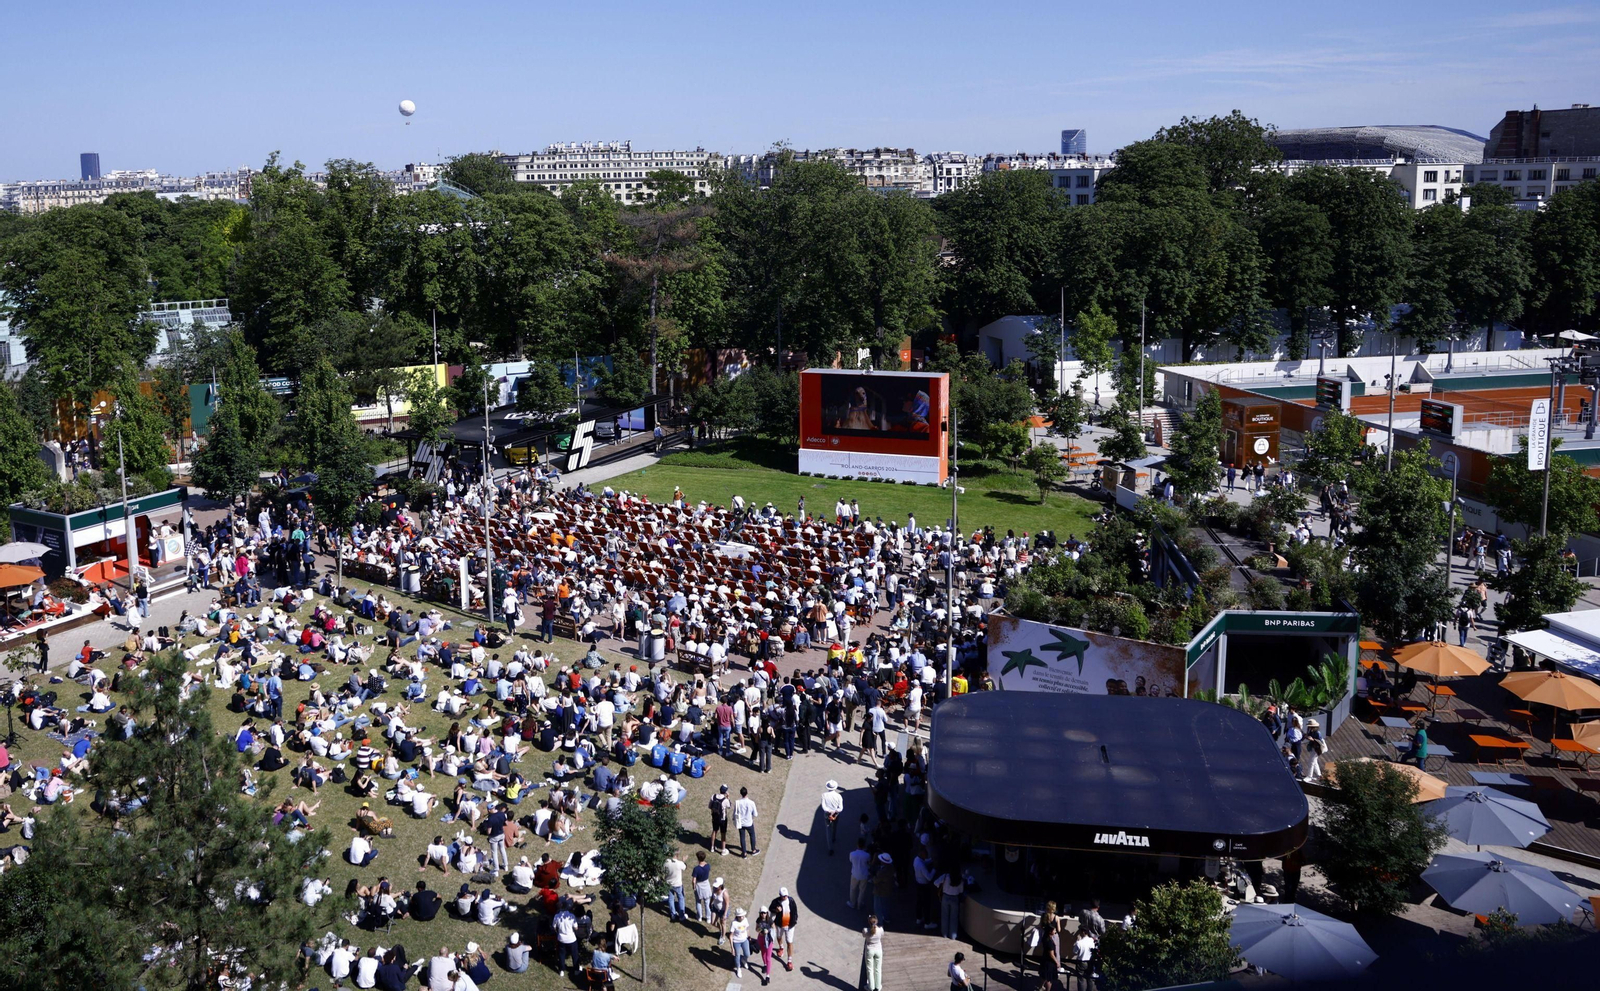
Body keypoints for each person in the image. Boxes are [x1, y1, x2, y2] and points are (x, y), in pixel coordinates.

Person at [768, 886, 798, 971]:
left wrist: (795, 920)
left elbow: (795, 911)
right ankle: (781, 947)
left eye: (786, 895)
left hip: (790, 926)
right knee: (779, 937)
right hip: (779, 925)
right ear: (780, 895)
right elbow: (770, 908)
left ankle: (789, 961)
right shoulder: (776, 901)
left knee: (789, 942)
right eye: (783, 896)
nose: (785, 897)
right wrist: (776, 910)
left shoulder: (791, 900)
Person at [820, 779, 844, 854]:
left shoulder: (824, 795)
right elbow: (840, 808)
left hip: (827, 814)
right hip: (836, 814)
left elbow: (824, 807)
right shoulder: (838, 796)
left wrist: (829, 811)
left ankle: (830, 848)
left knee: (828, 829)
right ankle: (833, 837)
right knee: (835, 826)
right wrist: (834, 811)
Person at [734, 786, 759, 857]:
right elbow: (755, 814)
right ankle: (753, 850)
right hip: (749, 823)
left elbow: (735, 812)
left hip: (741, 823)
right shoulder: (751, 803)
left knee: (742, 837)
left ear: (741, 794)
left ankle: (744, 853)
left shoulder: (738, 802)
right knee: (752, 835)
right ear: (747, 793)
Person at [862, 915, 885, 991]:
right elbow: (882, 934)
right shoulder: (880, 930)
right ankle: (878, 986)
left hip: (870, 950)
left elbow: (864, 936)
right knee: (878, 968)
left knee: (870, 969)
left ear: (869, 922)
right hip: (878, 950)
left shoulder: (865, 930)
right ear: (877, 921)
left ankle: (871, 987)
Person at [664, 849, 687, 922]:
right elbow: (684, 867)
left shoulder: (666, 862)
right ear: (677, 855)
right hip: (677, 884)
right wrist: (684, 861)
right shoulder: (679, 863)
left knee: (671, 899)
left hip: (668, 883)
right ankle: (681, 916)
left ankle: (673, 915)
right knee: (681, 898)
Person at [730, 906, 752, 976]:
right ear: (737, 916)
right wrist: (732, 948)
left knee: (747, 954)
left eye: (743, 916)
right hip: (736, 941)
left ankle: (744, 960)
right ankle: (738, 968)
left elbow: (747, 928)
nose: (742, 917)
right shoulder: (734, 923)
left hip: (744, 940)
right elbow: (731, 936)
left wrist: (749, 936)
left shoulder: (745, 920)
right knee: (737, 956)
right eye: (740, 916)